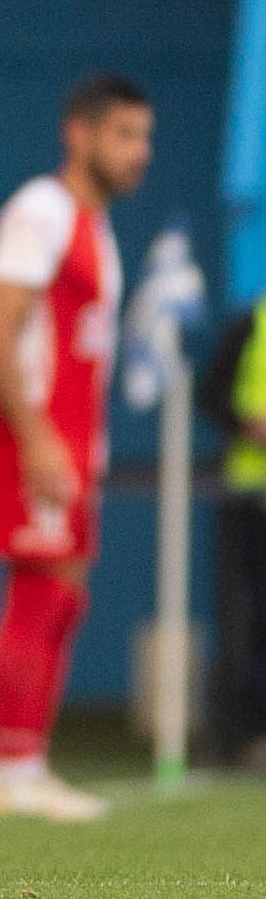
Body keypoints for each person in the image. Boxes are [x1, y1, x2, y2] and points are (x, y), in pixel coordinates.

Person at [0, 75, 151, 819]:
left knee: (63, 596)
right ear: (76, 133)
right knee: (36, 591)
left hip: (75, 439)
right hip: (33, 434)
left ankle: (28, 759)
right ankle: (11, 768)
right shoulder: (39, 211)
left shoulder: (95, 224)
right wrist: (37, 434)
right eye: (123, 134)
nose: (139, 152)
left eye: (143, 136)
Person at [199, 290, 266, 765]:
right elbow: (211, 395)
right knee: (244, 619)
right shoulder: (252, 322)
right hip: (248, 495)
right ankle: (240, 740)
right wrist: (249, 424)